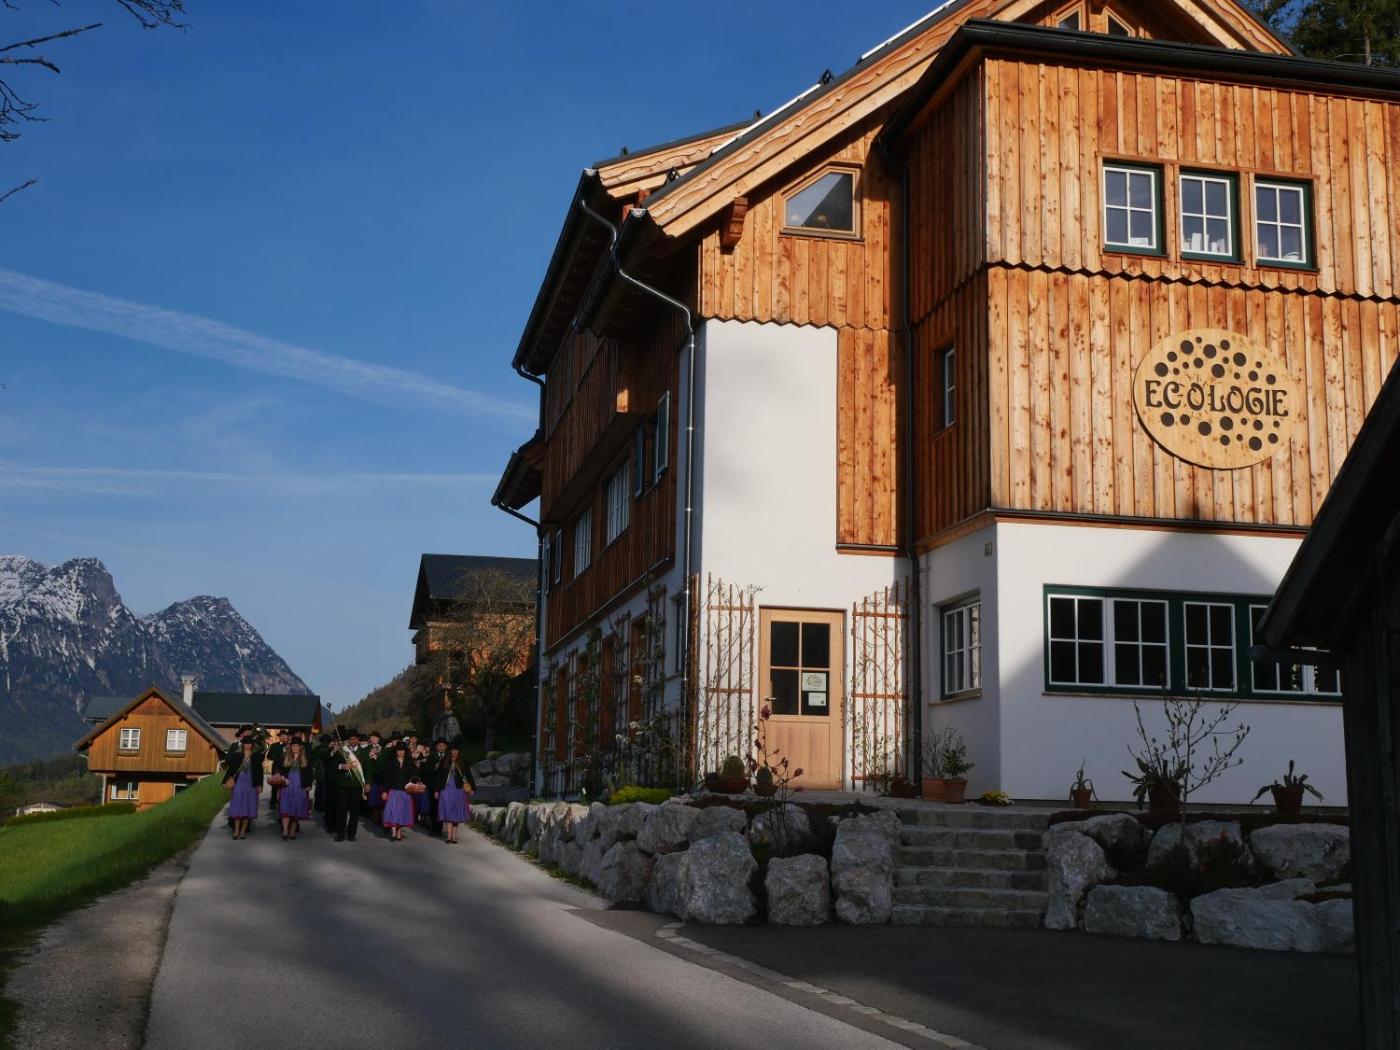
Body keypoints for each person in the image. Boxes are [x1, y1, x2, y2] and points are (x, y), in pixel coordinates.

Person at [431, 743, 474, 844]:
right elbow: (439, 777)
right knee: (448, 812)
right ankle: (449, 836)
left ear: (459, 751)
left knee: (456, 813)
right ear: (449, 751)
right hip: (446, 790)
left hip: (458, 790)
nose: (454, 752)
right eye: (453, 750)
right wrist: (436, 790)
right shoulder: (444, 761)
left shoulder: (463, 762)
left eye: (456, 750)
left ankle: (454, 836)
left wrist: (473, 788)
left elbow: (469, 775)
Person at [330, 730, 368, 842]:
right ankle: (340, 834)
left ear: (358, 740)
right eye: (351, 739)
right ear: (348, 740)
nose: (353, 741)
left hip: (356, 785)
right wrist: (342, 766)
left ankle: (351, 834)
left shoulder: (363, 752)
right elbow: (333, 765)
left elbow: (368, 769)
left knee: (354, 811)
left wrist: (368, 783)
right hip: (343, 784)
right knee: (341, 810)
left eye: (355, 739)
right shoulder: (342, 751)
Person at [223, 737, 263, 839]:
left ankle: (242, 831)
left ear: (252, 745)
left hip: (251, 783)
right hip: (239, 782)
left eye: (250, 743)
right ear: (243, 745)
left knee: (247, 807)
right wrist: (225, 781)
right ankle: (236, 830)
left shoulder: (256, 756)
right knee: (237, 806)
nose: (248, 745)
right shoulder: (237, 755)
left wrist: (260, 785)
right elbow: (231, 769)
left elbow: (260, 772)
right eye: (246, 743)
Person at [380, 741, 418, 842]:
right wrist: (384, 791)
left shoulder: (409, 762)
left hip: (405, 791)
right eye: (398, 750)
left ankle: (399, 833)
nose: (400, 752)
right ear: (395, 751)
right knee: (393, 811)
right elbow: (386, 778)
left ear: (405, 751)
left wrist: (413, 785)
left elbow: (415, 776)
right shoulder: (390, 762)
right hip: (393, 790)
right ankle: (393, 833)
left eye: (402, 750)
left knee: (402, 811)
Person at [277, 739, 313, 839]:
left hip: (300, 786)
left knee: (296, 808)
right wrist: (283, 778)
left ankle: (292, 831)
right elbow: (279, 770)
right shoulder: (284, 757)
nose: (295, 748)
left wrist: (309, 784)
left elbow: (309, 773)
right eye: (293, 746)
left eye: (297, 746)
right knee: (285, 807)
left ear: (301, 747)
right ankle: (285, 831)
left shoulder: (306, 758)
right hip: (287, 785)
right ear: (291, 747)